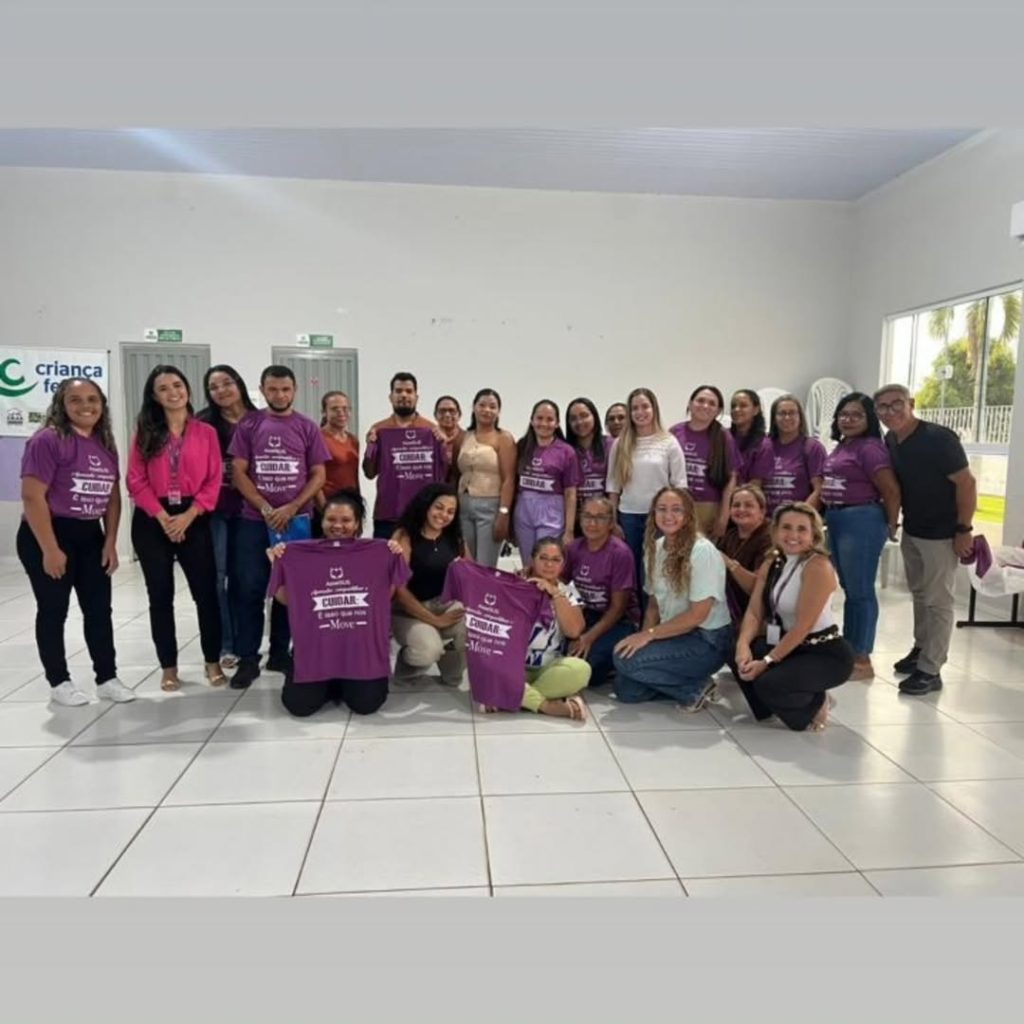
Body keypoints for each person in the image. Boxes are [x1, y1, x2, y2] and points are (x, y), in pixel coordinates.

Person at [17, 378, 133, 706]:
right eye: (76, 399)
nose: (86, 406)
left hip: (90, 535)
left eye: (93, 399)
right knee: (53, 609)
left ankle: (107, 677)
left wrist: (110, 541)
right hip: (50, 533)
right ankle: (59, 681)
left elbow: (112, 498)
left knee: (99, 610)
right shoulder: (47, 440)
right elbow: (32, 496)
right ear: (62, 404)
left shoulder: (104, 443)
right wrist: (50, 549)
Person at [228, 365, 330, 689]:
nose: (280, 395)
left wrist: (292, 506)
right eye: (272, 389)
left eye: (285, 389)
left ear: (294, 390)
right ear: (262, 390)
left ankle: (279, 654)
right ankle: (247, 659)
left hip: (296, 521)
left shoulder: (307, 427)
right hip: (254, 521)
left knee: (290, 591)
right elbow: (238, 471)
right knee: (250, 589)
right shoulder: (249, 425)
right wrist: (266, 507)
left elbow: (318, 475)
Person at [268, 490, 410, 717]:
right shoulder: (301, 554)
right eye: (331, 519)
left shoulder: (377, 553)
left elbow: (386, 595)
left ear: (357, 524)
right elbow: (284, 599)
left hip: (359, 650)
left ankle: (339, 682)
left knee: (367, 705)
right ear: (322, 521)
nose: (338, 525)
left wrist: (393, 555)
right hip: (317, 648)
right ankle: (331, 681)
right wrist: (278, 562)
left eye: (346, 520)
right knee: (299, 706)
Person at [875, 383, 978, 695]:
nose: (890, 412)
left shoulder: (939, 439)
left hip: (942, 534)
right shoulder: (891, 439)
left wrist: (964, 529)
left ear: (912, 403)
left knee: (938, 601)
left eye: (897, 404)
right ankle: (921, 649)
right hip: (914, 529)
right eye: (883, 407)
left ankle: (931, 669)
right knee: (920, 594)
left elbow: (966, 483)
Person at [126, 365, 224, 692]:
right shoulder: (145, 432)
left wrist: (188, 516)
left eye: (178, 385)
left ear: (188, 390)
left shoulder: (206, 433)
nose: (173, 392)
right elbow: (135, 479)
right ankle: (168, 667)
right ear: (154, 397)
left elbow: (214, 480)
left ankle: (212, 661)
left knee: (206, 594)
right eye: (164, 388)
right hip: (153, 519)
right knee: (160, 596)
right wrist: (162, 516)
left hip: (194, 516)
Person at [734, 502, 855, 731]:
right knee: (735, 649)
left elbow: (802, 627)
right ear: (775, 531)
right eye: (786, 527)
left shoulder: (818, 566)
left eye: (802, 529)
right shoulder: (773, 561)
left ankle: (816, 702)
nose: (793, 535)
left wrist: (766, 662)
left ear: (813, 535)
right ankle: (771, 707)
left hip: (824, 653)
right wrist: (742, 646)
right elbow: (754, 611)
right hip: (790, 645)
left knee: (768, 683)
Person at [612, 487, 733, 709]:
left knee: (623, 661)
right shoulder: (656, 548)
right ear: (654, 513)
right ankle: (693, 686)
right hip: (673, 633)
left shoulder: (702, 550)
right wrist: (642, 640)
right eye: (662, 509)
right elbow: (653, 606)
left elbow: (697, 616)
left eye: (677, 509)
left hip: (706, 640)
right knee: (626, 690)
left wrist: (649, 636)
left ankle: (692, 686)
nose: (668, 516)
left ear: (688, 514)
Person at [821, 392, 901, 681]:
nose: (848, 419)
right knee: (849, 588)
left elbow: (891, 490)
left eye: (856, 415)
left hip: (861, 520)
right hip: (837, 518)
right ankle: (850, 650)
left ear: (869, 419)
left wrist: (891, 524)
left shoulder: (870, 449)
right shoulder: (844, 445)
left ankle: (862, 658)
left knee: (861, 590)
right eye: (844, 414)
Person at [196, 364, 257, 671]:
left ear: (239, 383)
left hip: (251, 510)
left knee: (246, 579)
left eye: (227, 383)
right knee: (218, 578)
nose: (221, 390)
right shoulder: (202, 423)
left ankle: (248, 643)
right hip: (214, 511)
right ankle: (227, 643)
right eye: (213, 387)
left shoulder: (259, 420)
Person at [606, 387, 688, 595]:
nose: (640, 412)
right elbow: (613, 486)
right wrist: (613, 521)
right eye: (635, 408)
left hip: (660, 518)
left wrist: (678, 518)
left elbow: (680, 485)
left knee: (655, 572)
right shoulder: (620, 443)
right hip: (629, 517)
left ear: (654, 409)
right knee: (632, 572)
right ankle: (636, 613)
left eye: (645, 406)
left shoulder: (668, 442)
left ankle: (655, 614)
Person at [390, 483, 468, 685]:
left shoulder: (455, 537)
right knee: (428, 650)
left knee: (476, 627)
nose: (444, 515)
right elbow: (400, 591)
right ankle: (406, 670)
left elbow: (472, 574)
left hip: (444, 603)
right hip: (408, 611)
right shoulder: (404, 536)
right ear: (426, 505)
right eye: (439, 507)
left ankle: (451, 670)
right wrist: (436, 620)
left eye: (450, 511)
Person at [563, 496, 638, 686]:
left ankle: (614, 665)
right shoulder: (574, 548)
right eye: (587, 516)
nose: (592, 523)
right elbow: (561, 582)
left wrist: (588, 638)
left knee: (587, 667)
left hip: (618, 621)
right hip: (586, 614)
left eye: (600, 518)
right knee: (559, 653)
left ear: (611, 523)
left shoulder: (620, 553)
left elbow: (618, 608)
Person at [363, 372, 446, 540]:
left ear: (416, 397)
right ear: (390, 396)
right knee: (386, 556)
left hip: (422, 514)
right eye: (398, 391)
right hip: (388, 514)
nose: (403, 395)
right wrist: (370, 447)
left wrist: (443, 445)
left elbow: (443, 474)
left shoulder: (431, 431)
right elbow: (369, 473)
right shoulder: (379, 429)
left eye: (409, 391)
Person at [515, 538, 591, 720]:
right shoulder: (514, 585)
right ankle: (547, 706)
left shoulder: (569, 592)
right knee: (485, 666)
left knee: (581, 670)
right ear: (532, 560)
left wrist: (555, 593)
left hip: (547, 669)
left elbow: (574, 631)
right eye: (543, 558)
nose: (549, 564)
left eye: (556, 560)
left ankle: (515, 697)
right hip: (513, 666)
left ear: (563, 565)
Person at [451, 387, 516, 568]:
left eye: (492, 406)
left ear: (498, 411)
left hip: (490, 506)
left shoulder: (503, 438)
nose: (487, 410)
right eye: (482, 405)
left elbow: (509, 479)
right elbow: (455, 473)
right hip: (463, 505)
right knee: (466, 562)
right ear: (474, 407)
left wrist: (504, 514)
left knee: (485, 565)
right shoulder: (462, 437)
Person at [513, 399, 580, 559]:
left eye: (550, 419)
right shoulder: (522, 446)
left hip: (551, 511)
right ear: (532, 420)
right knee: (528, 562)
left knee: (545, 559)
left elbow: (570, 493)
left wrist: (569, 530)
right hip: (523, 509)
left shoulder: (566, 451)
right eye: (539, 418)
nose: (544, 423)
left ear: (557, 423)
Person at [670, 384, 739, 540]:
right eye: (700, 400)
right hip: (677, 505)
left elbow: (731, 478)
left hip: (708, 508)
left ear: (718, 411)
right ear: (690, 403)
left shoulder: (723, 437)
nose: (705, 406)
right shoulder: (674, 432)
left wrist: (724, 516)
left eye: (712, 403)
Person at [755, 394, 826, 513]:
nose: (787, 417)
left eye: (792, 413)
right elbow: (755, 486)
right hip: (765, 519)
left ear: (800, 417)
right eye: (782, 413)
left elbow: (819, 490)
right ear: (774, 418)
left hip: (799, 518)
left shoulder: (812, 447)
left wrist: (799, 516)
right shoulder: (763, 445)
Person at [716, 483, 773, 624]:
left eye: (748, 505)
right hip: (728, 611)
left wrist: (730, 564)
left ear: (762, 511)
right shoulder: (730, 535)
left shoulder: (770, 538)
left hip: (758, 617)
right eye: (736, 505)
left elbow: (757, 588)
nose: (741, 509)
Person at [565, 396, 610, 513]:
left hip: (603, 515)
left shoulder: (611, 445)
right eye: (573, 419)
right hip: (573, 514)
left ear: (594, 416)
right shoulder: (565, 449)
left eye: (584, 416)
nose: (579, 422)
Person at [318, 389, 360, 504]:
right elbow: (312, 477)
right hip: (329, 503)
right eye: (335, 409)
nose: (341, 413)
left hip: (351, 503)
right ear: (324, 412)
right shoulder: (318, 439)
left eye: (345, 408)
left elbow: (354, 476)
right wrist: (324, 508)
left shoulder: (353, 440)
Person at [728, 389, 768, 485]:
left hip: (746, 493)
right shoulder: (724, 436)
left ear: (755, 410)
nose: (736, 409)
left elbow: (756, 483)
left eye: (743, 406)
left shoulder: (764, 444)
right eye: (733, 406)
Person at [434, 395, 464, 464]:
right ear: (435, 415)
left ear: (459, 415)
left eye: (452, 411)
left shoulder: (468, 439)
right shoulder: (428, 439)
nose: (447, 415)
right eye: (442, 411)